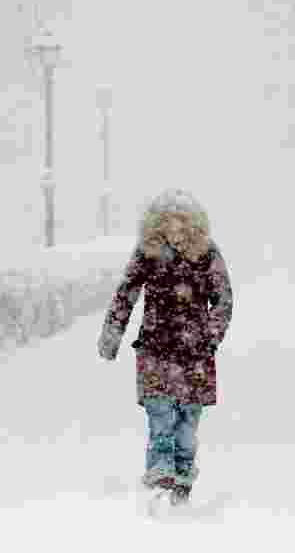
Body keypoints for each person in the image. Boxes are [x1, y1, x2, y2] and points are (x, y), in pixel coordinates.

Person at [98, 189, 233, 505]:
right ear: (156, 223)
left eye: (181, 220)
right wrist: (112, 334)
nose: (174, 227)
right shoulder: (148, 252)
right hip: (155, 352)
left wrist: (209, 337)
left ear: (192, 223)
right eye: (167, 221)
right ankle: (160, 480)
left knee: (186, 427)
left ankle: (181, 484)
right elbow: (125, 294)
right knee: (160, 420)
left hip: (195, 356)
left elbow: (223, 300)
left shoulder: (207, 253)